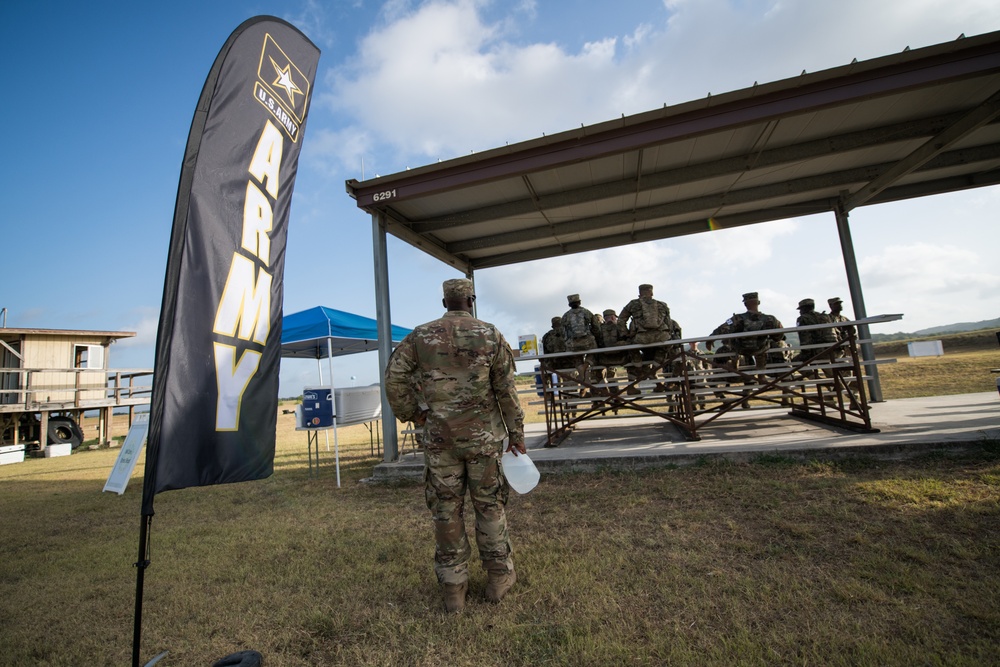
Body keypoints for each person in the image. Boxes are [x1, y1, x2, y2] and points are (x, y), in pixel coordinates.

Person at [384, 278, 525, 614]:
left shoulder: (420, 335)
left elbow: (394, 378)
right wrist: (516, 433)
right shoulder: (490, 334)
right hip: (484, 440)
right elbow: (506, 389)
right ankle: (497, 579)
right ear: (471, 299)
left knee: (446, 511)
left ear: (444, 300)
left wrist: (415, 414)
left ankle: (453, 588)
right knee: (489, 506)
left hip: (440, 441)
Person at [707, 292, 785, 372]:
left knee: (731, 341)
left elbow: (723, 328)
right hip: (760, 349)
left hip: (741, 349)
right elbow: (779, 336)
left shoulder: (737, 318)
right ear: (758, 303)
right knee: (766, 344)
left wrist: (710, 339)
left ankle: (735, 364)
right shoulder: (770, 319)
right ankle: (761, 374)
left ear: (745, 304)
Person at [617, 284, 672, 388]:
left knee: (631, 347)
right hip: (661, 336)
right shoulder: (662, 304)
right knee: (666, 346)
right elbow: (669, 323)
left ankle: (639, 369)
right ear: (652, 293)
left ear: (639, 293)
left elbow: (621, 320)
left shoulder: (633, 304)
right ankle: (654, 369)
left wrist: (626, 334)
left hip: (641, 337)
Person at [561, 294, 601, 386]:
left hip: (573, 344)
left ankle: (581, 371)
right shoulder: (587, 312)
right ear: (579, 302)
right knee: (594, 351)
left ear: (569, 304)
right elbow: (596, 328)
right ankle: (585, 367)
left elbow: (563, 332)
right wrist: (595, 336)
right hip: (588, 342)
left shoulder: (565, 316)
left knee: (576, 357)